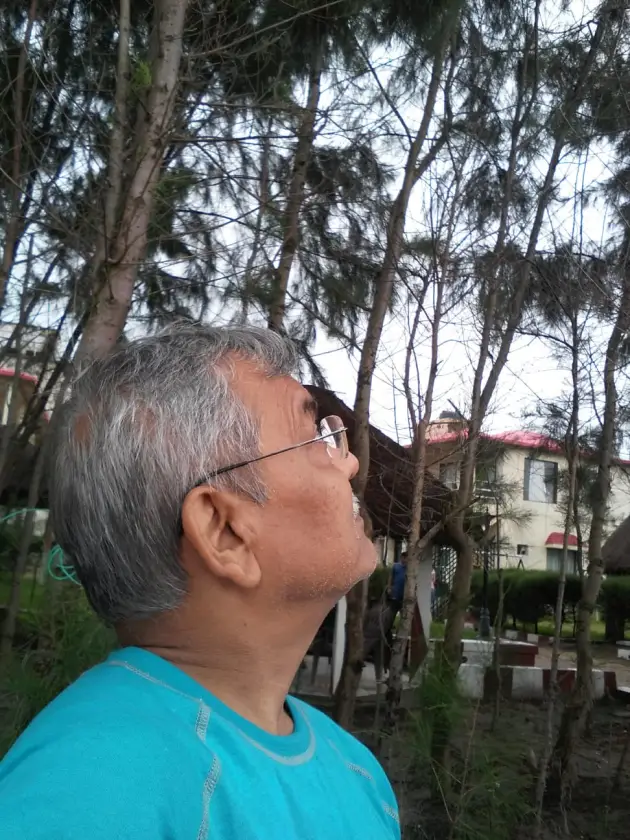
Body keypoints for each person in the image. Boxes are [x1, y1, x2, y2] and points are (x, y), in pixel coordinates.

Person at [0, 324, 400, 839]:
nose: (349, 461)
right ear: (224, 531)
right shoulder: (87, 794)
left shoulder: (357, 772)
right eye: (314, 440)